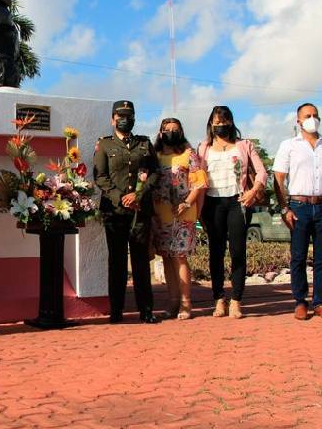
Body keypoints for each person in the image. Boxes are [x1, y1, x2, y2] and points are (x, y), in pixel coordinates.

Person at [273, 103, 322, 321]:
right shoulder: (289, 145)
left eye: (315, 115)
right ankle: (300, 301)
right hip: (298, 207)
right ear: (298, 121)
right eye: (307, 116)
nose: (312, 119)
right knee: (298, 257)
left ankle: (321, 302)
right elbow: (278, 178)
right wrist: (284, 208)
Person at [198, 106, 267, 319]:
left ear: (231, 123)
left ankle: (236, 299)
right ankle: (219, 298)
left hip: (238, 202)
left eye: (224, 122)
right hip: (212, 203)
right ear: (211, 124)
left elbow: (262, 172)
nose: (221, 126)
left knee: (237, 251)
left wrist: (253, 191)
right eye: (217, 123)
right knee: (216, 253)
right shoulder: (203, 148)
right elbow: (196, 175)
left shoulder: (244, 145)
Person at [93, 100, 159, 324]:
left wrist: (138, 195)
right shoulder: (104, 145)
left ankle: (146, 310)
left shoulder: (144, 143)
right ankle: (117, 311)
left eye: (129, 115)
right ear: (112, 119)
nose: (125, 119)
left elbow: (154, 173)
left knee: (141, 261)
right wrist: (120, 198)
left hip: (140, 211)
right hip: (115, 212)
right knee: (117, 262)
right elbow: (100, 177)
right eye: (120, 115)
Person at [152, 118, 207, 320]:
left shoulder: (188, 154)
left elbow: (199, 183)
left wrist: (187, 203)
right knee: (166, 257)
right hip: (161, 214)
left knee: (179, 257)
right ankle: (172, 300)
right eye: (167, 130)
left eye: (176, 130)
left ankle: (186, 303)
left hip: (183, 213)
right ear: (160, 133)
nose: (171, 133)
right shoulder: (155, 156)